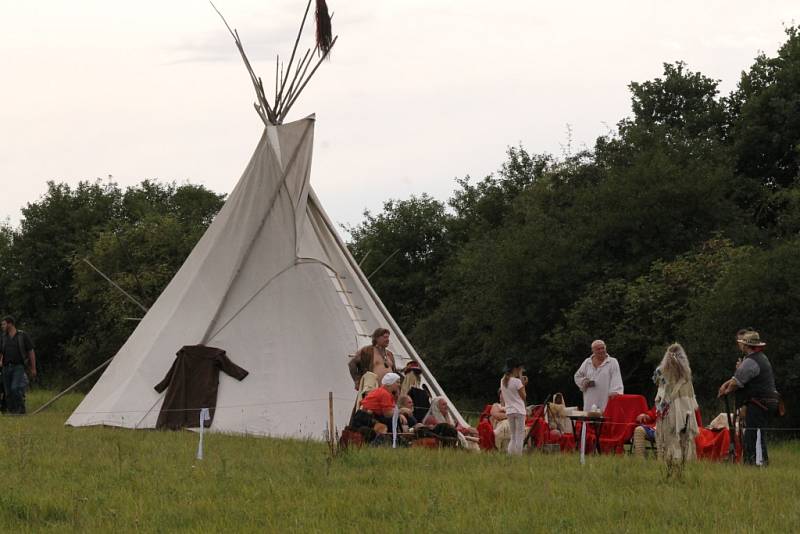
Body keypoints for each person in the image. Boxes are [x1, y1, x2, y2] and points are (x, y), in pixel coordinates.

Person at [718, 331, 779, 466]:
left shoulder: (751, 360)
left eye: (743, 344)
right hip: (766, 401)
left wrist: (726, 390)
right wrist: (726, 385)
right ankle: (757, 462)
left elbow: (736, 382)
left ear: (746, 346)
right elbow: (737, 378)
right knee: (756, 432)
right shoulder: (760, 358)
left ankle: (755, 463)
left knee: (753, 434)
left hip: (760, 402)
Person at [653, 343, 699, 477]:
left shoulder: (660, 371)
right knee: (683, 439)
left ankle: (670, 468)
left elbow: (657, 384)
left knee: (669, 439)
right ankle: (681, 468)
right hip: (684, 411)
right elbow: (690, 398)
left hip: (668, 410)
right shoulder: (687, 373)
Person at [573, 339, 623, 412]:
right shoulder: (587, 362)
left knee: (605, 416)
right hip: (590, 397)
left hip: (605, 397)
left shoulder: (612, 362)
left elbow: (616, 378)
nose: (601, 351)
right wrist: (584, 382)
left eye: (603, 348)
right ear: (593, 351)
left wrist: (615, 391)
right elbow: (577, 376)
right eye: (598, 349)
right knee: (589, 417)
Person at [0, 316, 36, 415]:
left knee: (15, 388)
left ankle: (21, 410)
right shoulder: (3, 337)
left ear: (10, 324)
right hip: (6, 367)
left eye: (4, 324)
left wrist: (33, 368)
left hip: (18, 367)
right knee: (8, 393)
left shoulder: (22, 336)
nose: (2, 326)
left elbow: (31, 351)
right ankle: (12, 412)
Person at [348, 328, 398, 399]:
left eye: (388, 337)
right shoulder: (367, 351)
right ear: (377, 338)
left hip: (388, 392)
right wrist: (357, 381)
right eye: (385, 337)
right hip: (372, 390)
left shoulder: (389, 354)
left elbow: (394, 372)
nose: (387, 339)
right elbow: (352, 364)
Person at [499, 359, 527, 455]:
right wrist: (523, 383)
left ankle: (511, 454)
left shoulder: (502, 381)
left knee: (513, 435)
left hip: (509, 410)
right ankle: (518, 456)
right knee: (520, 435)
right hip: (519, 410)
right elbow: (524, 396)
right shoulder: (517, 382)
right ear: (515, 369)